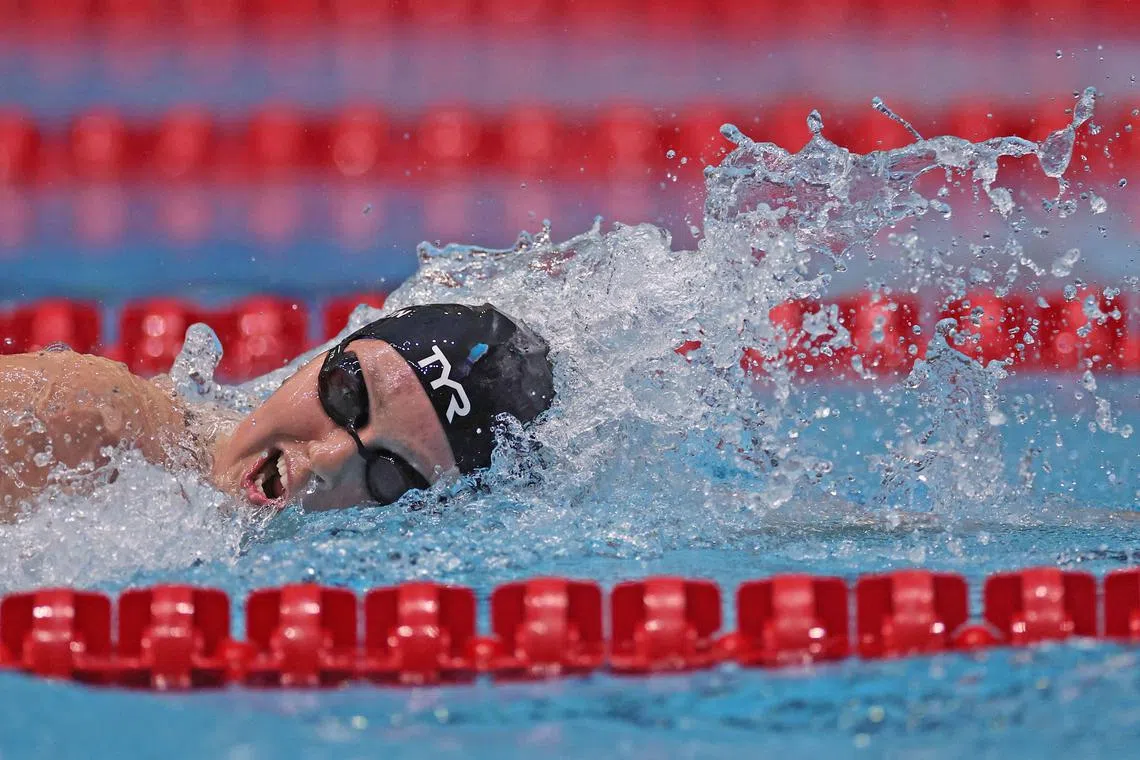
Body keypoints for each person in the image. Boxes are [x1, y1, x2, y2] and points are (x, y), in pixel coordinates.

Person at [0, 303, 555, 519]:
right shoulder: (80, 419)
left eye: (391, 474)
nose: (331, 455)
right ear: (316, 360)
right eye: (347, 393)